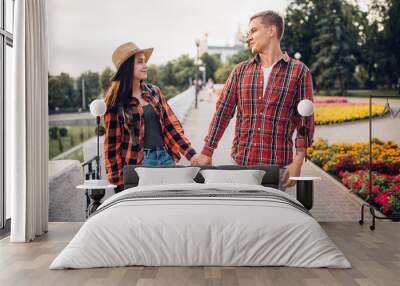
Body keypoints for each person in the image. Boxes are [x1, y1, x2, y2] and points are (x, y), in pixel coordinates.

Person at [192, 11, 315, 190]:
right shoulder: (240, 71)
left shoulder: (299, 72)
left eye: (254, 31)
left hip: (277, 167)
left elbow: (305, 121)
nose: (249, 37)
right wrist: (207, 151)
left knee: (272, 217)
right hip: (239, 165)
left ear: (272, 30)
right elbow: (223, 112)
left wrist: (298, 161)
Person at [103, 42, 197, 193]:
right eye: (140, 62)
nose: (145, 65)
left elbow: (171, 126)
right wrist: (119, 183)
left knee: (170, 203)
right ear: (127, 68)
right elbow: (112, 147)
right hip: (140, 166)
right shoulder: (116, 104)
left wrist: (191, 154)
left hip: (166, 158)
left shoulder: (154, 92)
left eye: (145, 61)